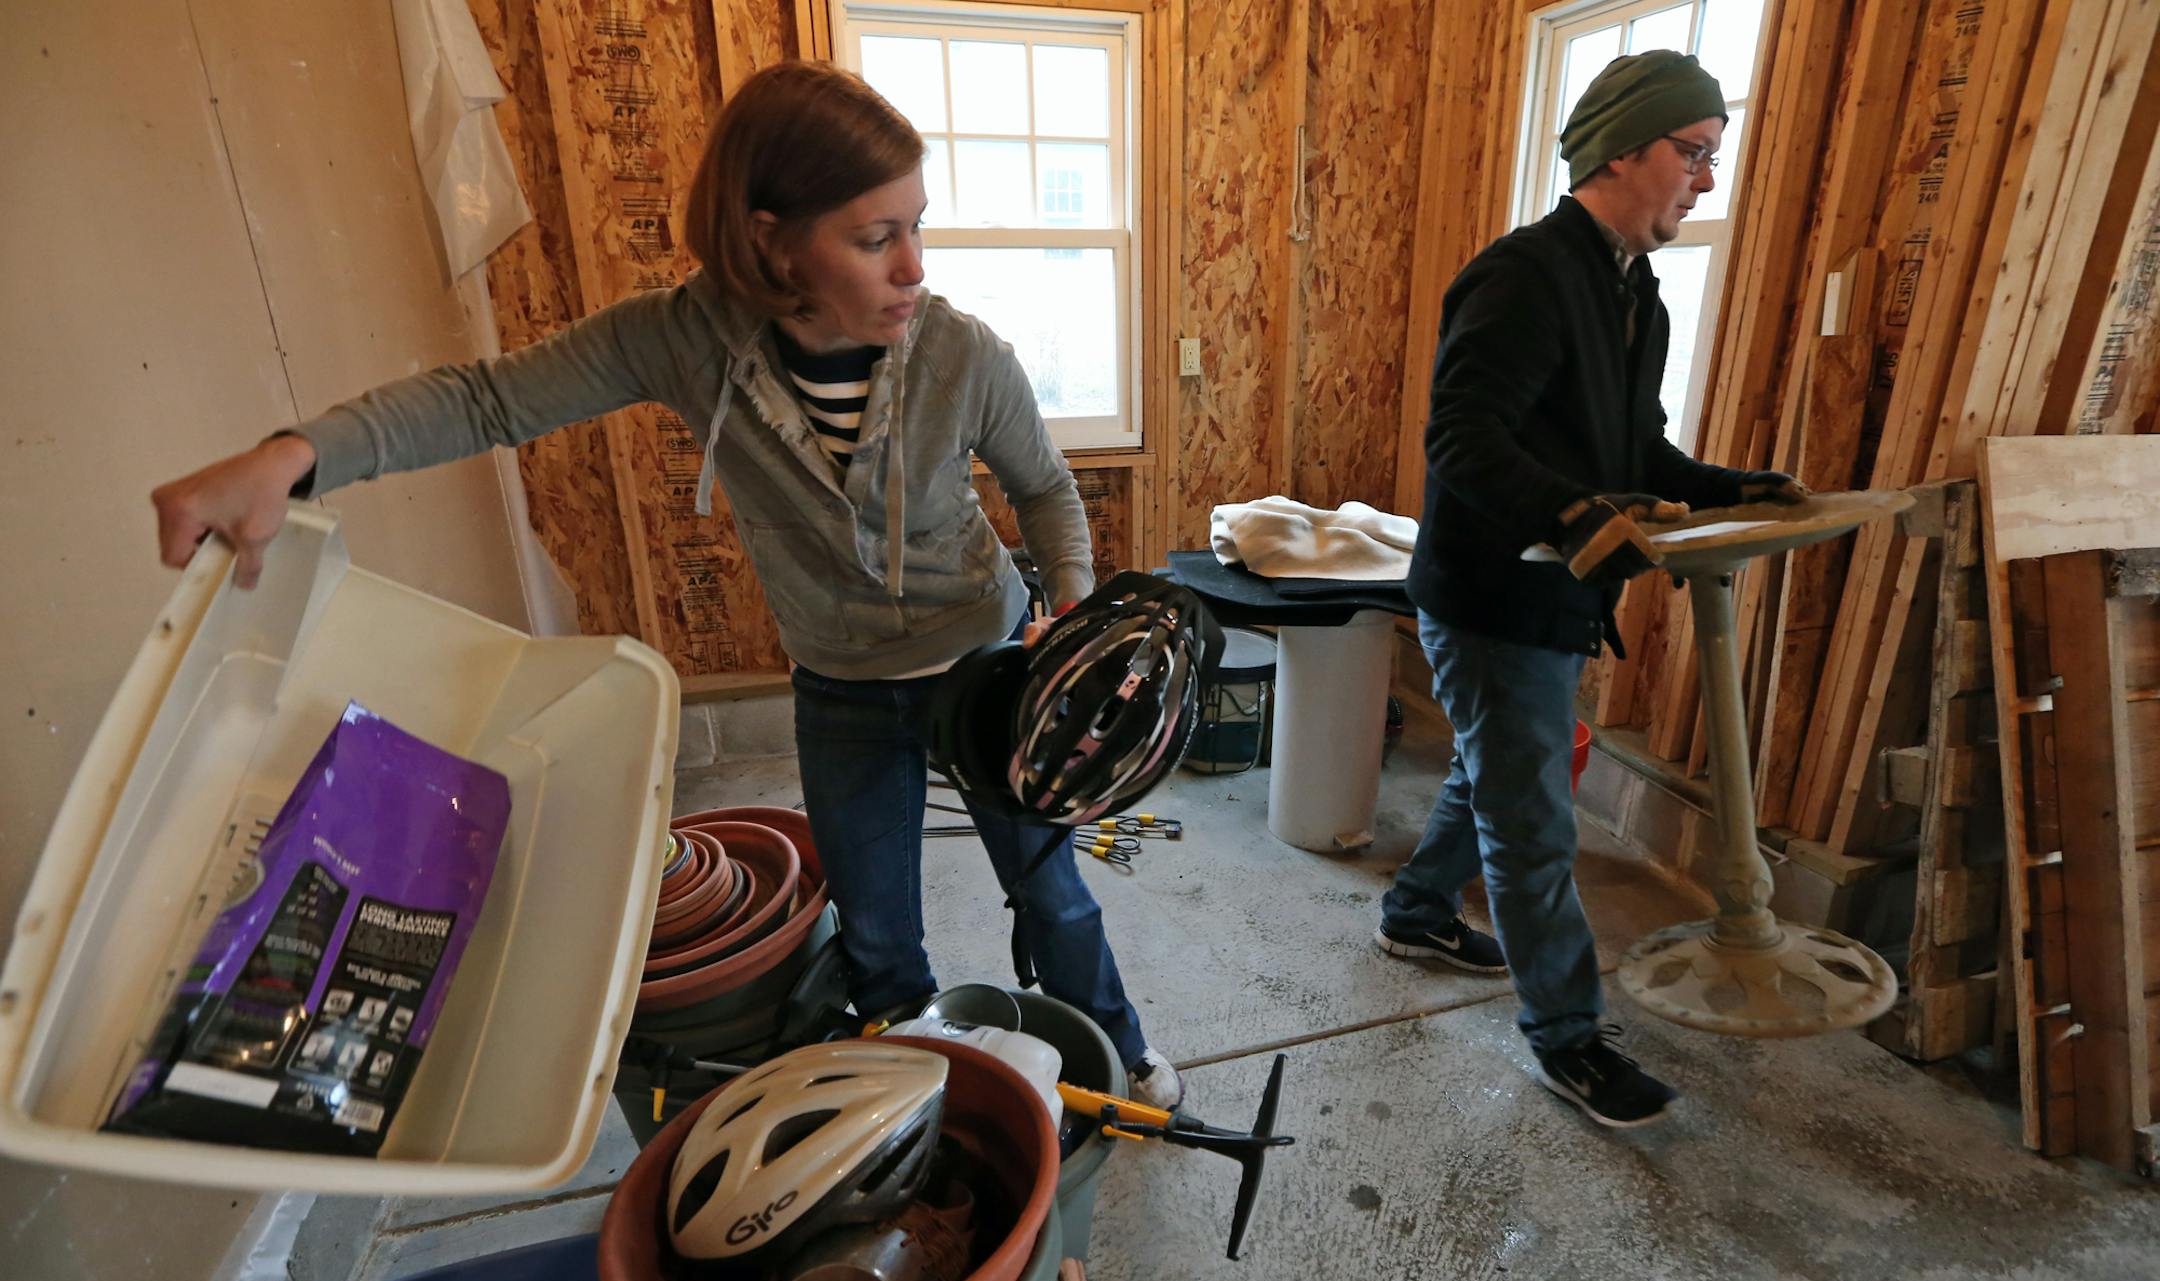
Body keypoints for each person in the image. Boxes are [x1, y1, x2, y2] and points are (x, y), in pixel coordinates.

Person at [149, 61, 1186, 1110]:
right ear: (773, 239)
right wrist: (294, 456)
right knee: (877, 935)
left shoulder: (965, 355)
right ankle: (916, 1112)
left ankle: (1128, 1063)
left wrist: (1064, 617)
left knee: (1051, 887)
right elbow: (486, 401)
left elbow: (1048, 493)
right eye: (877, 239)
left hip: (989, 664)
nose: (914, 267)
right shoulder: (680, 342)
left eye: (919, 226)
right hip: (842, 686)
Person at [1375, 50, 1806, 1128]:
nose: (1706, 178)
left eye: (1714, 157)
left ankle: (1417, 910)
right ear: (1623, 147)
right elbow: (1463, 439)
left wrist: (1727, 487)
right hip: (1490, 596)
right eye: (1694, 153)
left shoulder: (1633, 293)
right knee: (1534, 824)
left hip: (1557, 596)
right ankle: (1567, 1036)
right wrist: (1574, 517)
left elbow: (1634, 447)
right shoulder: (1524, 275)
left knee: (1497, 772)